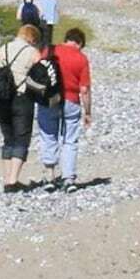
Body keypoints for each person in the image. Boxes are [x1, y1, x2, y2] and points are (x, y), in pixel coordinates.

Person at [0, 22, 43, 193]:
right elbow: (42, 75)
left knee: (8, 138)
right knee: (22, 137)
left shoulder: (4, 48)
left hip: (2, 97)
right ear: (32, 38)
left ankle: (7, 179)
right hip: (22, 97)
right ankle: (13, 181)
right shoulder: (32, 52)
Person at [35, 26, 93, 188]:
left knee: (48, 135)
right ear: (79, 43)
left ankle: (50, 176)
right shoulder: (81, 58)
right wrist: (88, 112)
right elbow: (85, 90)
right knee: (70, 140)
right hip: (71, 100)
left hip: (49, 99)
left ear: (66, 39)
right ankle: (68, 178)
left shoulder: (49, 51)